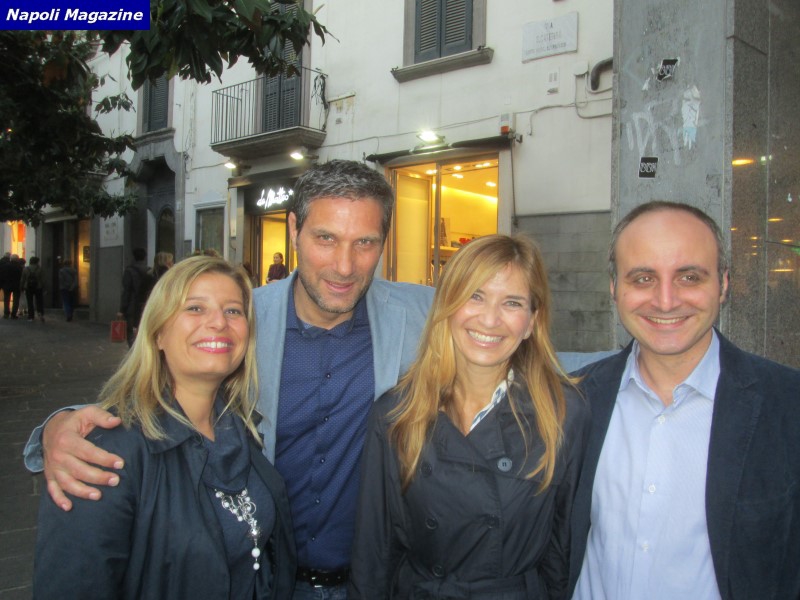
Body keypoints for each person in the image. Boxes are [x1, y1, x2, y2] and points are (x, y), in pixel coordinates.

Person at [25, 160, 607, 599]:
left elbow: (510, 341)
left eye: (364, 243)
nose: (344, 266)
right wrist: (58, 427)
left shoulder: (426, 313)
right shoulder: (241, 320)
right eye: (326, 238)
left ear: (383, 244)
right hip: (266, 578)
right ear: (295, 231)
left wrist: (644, 363)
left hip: (373, 580)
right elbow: (163, 385)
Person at [568, 201, 800, 600]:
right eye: (643, 278)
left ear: (723, 284)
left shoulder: (788, 406)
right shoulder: (573, 399)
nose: (665, 301)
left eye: (689, 277)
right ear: (614, 288)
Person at [33, 255, 296, 599]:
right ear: (158, 333)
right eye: (195, 308)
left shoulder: (239, 427)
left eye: (233, 311)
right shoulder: (103, 456)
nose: (219, 322)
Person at [350, 235, 589, 599]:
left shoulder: (563, 413)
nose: (490, 319)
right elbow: (374, 556)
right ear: (447, 305)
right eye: (475, 296)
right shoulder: (397, 413)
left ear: (530, 322)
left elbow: (562, 555)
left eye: (512, 303)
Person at [118, 248, 155, 347]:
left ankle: (134, 351)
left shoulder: (129, 271)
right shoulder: (149, 271)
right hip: (145, 304)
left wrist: (122, 309)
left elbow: (126, 291)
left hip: (132, 305)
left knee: (131, 332)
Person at [21, 256, 45, 322]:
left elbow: (22, 279)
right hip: (38, 287)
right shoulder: (40, 269)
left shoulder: (26, 269)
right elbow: (43, 279)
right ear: (37, 262)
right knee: (39, 301)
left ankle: (31, 316)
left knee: (30, 302)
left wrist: (21, 287)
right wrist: (44, 287)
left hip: (28, 287)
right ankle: (40, 313)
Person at [1, 253, 23, 319]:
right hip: (16, 285)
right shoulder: (19, 267)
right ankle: (14, 314)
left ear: (11, 259)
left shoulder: (5, 266)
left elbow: (2, 275)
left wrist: (2, 284)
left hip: (7, 285)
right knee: (16, 300)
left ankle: (6, 313)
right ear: (17, 259)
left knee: (6, 299)